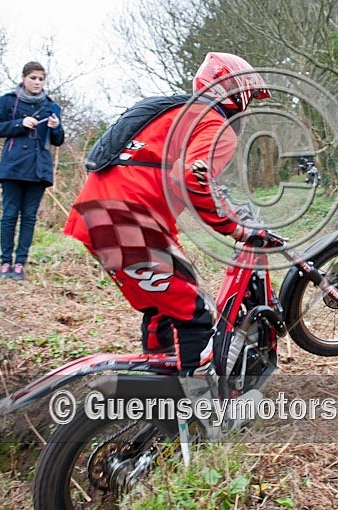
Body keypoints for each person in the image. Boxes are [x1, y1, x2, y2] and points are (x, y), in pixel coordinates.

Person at [63, 53, 269, 417]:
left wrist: (228, 208)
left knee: (163, 308)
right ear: (235, 94)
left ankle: (162, 405)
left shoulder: (178, 113)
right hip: (129, 221)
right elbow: (193, 178)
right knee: (195, 313)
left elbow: (182, 175)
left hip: (100, 216)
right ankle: (199, 412)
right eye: (249, 99)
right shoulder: (214, 124)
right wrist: (235, 228)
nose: (248, 110)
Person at [0, 61, 65, 280]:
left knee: (29, 217)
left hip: (39, 169)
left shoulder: (51, 106)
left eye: (41, 79)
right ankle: (5, 262)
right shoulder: (8, 101)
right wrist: (19, 123)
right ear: (23, 78)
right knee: (9, 215)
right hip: (12, 167)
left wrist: (56, 127)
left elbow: (58, 140)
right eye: (33, 78)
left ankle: (20, 264)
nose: (37, 82)